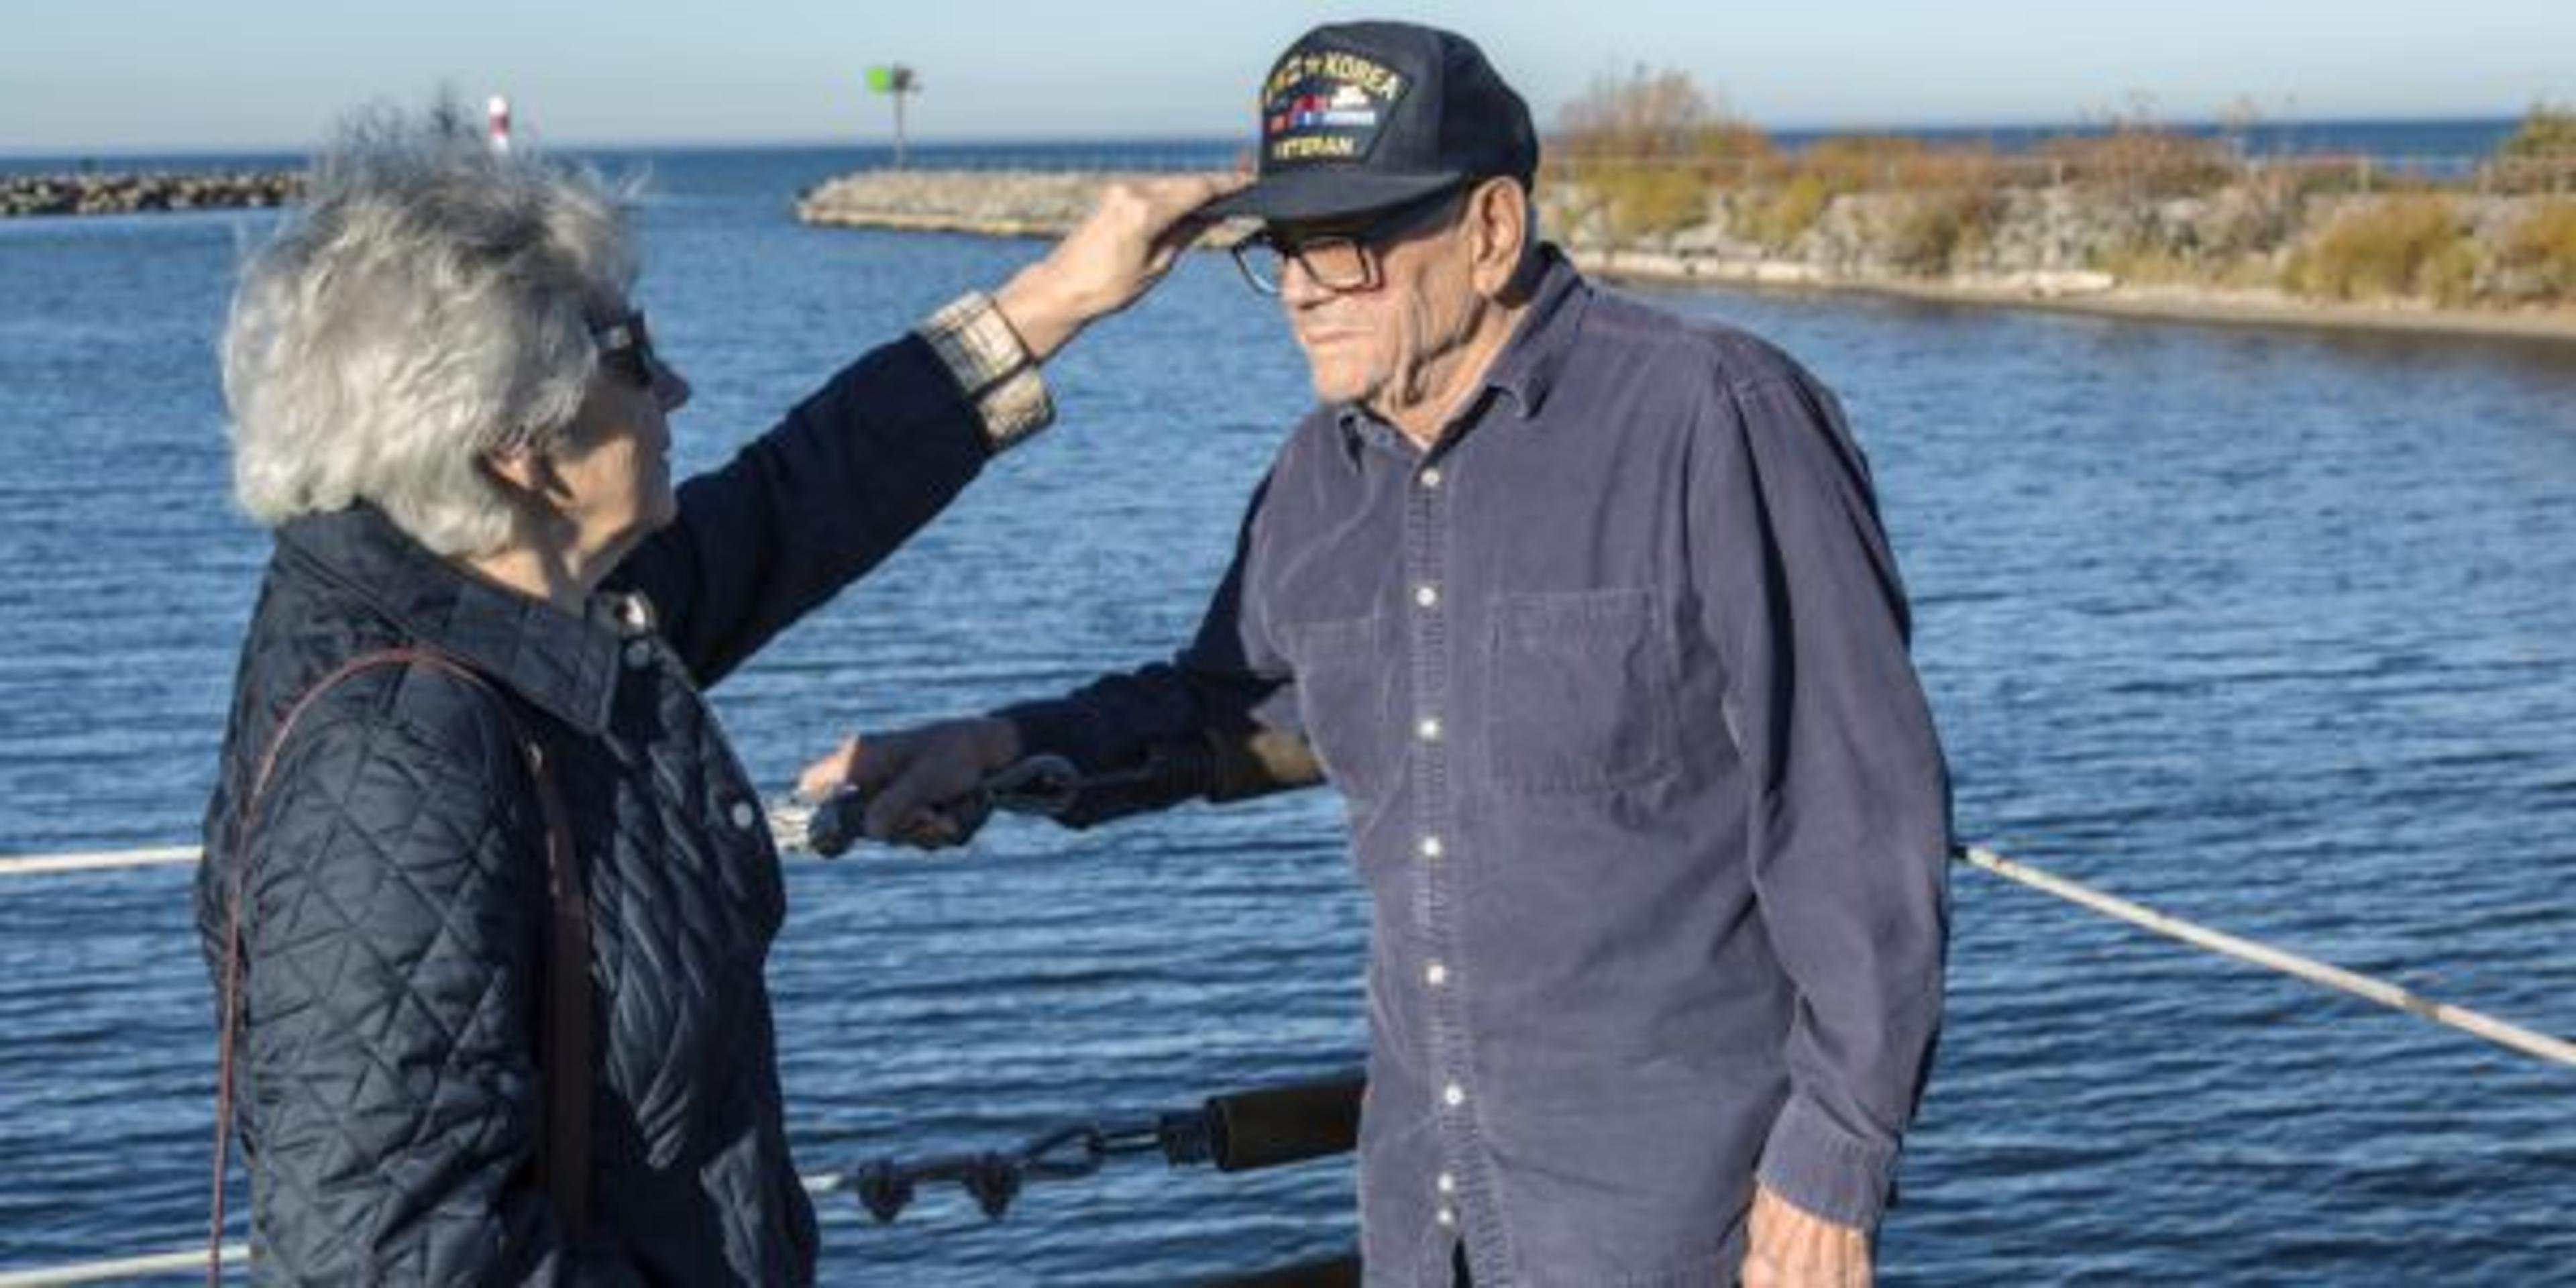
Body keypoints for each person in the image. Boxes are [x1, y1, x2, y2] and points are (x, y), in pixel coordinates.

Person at [800, 21, 1950, 1287]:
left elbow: (1854, 806)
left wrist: (1833, 1164)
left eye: (1342, 246)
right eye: (1282, 249)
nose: (1297, 288)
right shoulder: (1317, 477)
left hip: (1683, 1214)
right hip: (1428, 1212)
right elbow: (1216, 704)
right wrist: (1003, 747)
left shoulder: (1713, 419)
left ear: (1492, 232)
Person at [195, 107, 1238, 1283]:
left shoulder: (514, 612)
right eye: (632, 352)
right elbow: (384, 1259)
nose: (677, 388)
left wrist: (1054, 298)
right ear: (517, 446)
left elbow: (795, 507)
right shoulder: (397, 762)